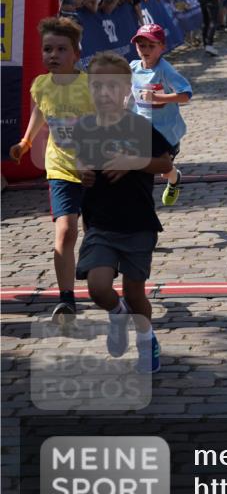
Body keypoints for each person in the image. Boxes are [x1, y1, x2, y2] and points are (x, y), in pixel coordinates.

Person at [73, 52, 173, 373]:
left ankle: (146, 339)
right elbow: (80, 163)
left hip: (137, 222)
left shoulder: (138, 126)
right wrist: (83, 173)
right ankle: (117, 316)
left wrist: (132, 163)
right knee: (98, 288)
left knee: (134, 292)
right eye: (98, 87)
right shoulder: (84, 127)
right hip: (99, 222)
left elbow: (166, 163)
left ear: (126, 89)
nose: (105, 94)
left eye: (112, 87)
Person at [9, 17, 95, 324]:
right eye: (48, 49)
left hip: (93, 170)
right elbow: (40, 111)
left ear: (76, 53)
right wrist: (26, 141)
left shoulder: (91, 86)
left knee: (95, 232)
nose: (53, 55)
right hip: (59, 168)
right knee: (65, 230)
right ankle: (67, 299)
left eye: (61, 49)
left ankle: (96, 264)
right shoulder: (41, 84)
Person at [129, 24, 193, 207]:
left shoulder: (165, 70)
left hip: (165, 133)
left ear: (162, 48)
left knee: (165, 171)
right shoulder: (133, 67)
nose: (145, 50)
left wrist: (158, 97)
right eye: (141, 45)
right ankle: (141, 207)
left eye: (151, 46)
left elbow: (186, 94)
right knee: (141, 169)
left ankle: (174, 179)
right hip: (141, 131)